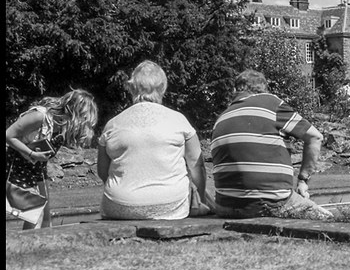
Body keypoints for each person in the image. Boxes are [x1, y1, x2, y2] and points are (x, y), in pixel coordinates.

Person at [210, 69, 333, 220]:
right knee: (328, 218)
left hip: (225, 205)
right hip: (269, 203)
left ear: (235, 91)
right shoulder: (270, 103)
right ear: (264, 89)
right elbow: (315, 137)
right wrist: (303, 180)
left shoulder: (221, 118)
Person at [96, 61, 208, 221]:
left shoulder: (112, 124)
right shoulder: (178, 120)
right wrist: (201, 199)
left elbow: (102, 171)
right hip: (170, 205)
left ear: (131, 88)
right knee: (197, 192)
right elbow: (197, 166)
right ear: (163, 87)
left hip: (117, 205)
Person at [6, 89, 98, 230]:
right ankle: (28, 248)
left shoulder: (59, 129)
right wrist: (32, 154)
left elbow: (41, 159)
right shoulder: (39, 116)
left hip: (31, 169)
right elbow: (9, 135)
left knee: (42, 214)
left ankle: (33, 248)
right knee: (35, 214)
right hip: (12, 166)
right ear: (73, 112)